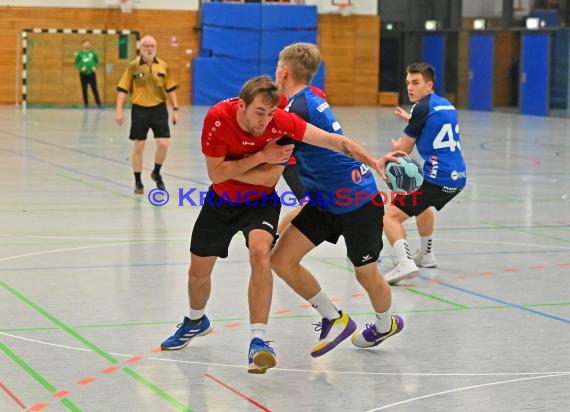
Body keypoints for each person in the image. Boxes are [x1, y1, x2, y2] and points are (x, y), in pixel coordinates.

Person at [160, 74, 399, 374]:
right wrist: (260, 155)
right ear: (242, 105)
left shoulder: (282, 123)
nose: (265, 121)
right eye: (259, 113)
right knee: (198, 275)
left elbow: (328, 144)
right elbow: (216, 175)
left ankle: (259, 340)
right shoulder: (218, 118)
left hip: (261, 203)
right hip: (220, 202)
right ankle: (196, 320)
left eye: (270, 114)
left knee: (262, 255)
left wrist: (375, 162)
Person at [270, 42, 405, 356]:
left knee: (365, 274)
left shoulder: (297, 109)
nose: (276, 70)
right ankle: (335, 318)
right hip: (325, 202)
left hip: (358, 200)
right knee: (281, 260)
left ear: (284, 70)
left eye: (278, 66)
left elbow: (269, 156)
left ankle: (386, 324)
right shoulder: (309, 99)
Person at [383, 62, 467, 285]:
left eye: (416, 83)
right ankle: (426, 255)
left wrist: (395, 147)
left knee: (390, 216)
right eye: (408, 83)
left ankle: (404, 263)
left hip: (437, 178)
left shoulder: (420, 108)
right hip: (458, 178)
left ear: (429, 85)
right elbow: (434, 125)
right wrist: (412, 120)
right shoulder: (446, 104)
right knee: (424, 205)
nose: (410, 87)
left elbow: (404, 150)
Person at [115, 35, 179, 195]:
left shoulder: (163, 66)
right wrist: (119, 111)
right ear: (140, 48)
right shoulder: (133, 66)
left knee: (163, 144)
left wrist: (175, 110)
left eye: (152, 45)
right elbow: (122, 90)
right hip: (140, 110)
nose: (149, 48)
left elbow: (171, 89)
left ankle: (156, 172)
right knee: (139, 146)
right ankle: (138, 181)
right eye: (146, 46)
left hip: (159, 109)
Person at [74, 40, 102, 109]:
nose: (87, 45)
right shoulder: (79, 54)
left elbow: (97, 61)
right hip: (83, 74)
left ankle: (99, 104)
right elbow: (76, 64)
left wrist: (95, 66)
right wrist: (80, 68)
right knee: (84, 89)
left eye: (88, 44)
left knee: (94, 88)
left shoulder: (93, 53)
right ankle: (86, 105)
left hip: (92, 74)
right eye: (86, 44)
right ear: (83, 45)